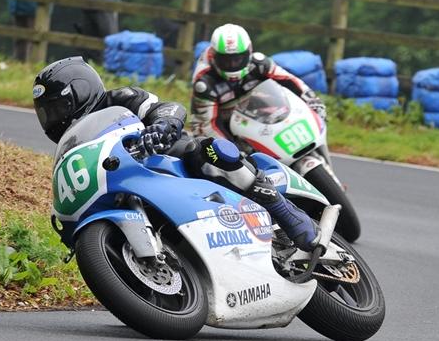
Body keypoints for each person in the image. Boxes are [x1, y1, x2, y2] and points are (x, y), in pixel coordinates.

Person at [32, 56, 320, 252]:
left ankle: (281, 208)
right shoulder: (71, 144)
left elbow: (167, 108)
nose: (53, 119)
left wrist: (161, 127)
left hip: (165, 155)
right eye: (47, 114)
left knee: (206, 152)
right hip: (124, 181)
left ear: (79, 93)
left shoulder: (120, 98)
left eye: (56, 109)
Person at [191, 24, 327, 141]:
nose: (232, 64)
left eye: (237, 59)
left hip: (253, 110)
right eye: (226, 60)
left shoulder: (259, 63)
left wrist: (312, 100)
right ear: (214, 56)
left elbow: (290, 81)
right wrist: (231, 151)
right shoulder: (204, 81)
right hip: (220, 119)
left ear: (249, 52)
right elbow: (208, 126)